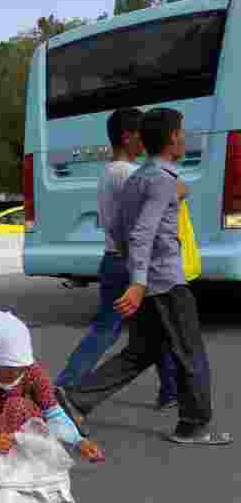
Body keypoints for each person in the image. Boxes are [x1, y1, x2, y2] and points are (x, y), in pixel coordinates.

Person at [56, 108, 232, 446]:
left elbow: (121, 231)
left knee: (142, 351)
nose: (184, 139)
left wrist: (137, 274)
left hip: (150, 280)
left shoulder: (138, 178)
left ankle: (77, 399)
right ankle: (193, 425)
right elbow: (141, 233)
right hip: (166, 282)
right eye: (181, 133)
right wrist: (138, 282)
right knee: (190, 351)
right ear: (170, 139)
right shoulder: (161, 180)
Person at [56, 109, 178, 413]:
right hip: (126, 262)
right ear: (127, 136)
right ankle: (65, 385)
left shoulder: (112, 171)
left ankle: (171, 389)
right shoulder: (126, 173)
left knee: (155, 329)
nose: (145, 141)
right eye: (141, 135)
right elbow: (157, 205)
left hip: (117, 259)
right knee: (108, 329)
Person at [0, 311, 104, 474]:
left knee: (19, 405)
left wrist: (78, 441)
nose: (15, 375)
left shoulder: (32, 371)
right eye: (8, 369)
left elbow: (55, 414)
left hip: (15, 452)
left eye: (20, 369)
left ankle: (20, 470)